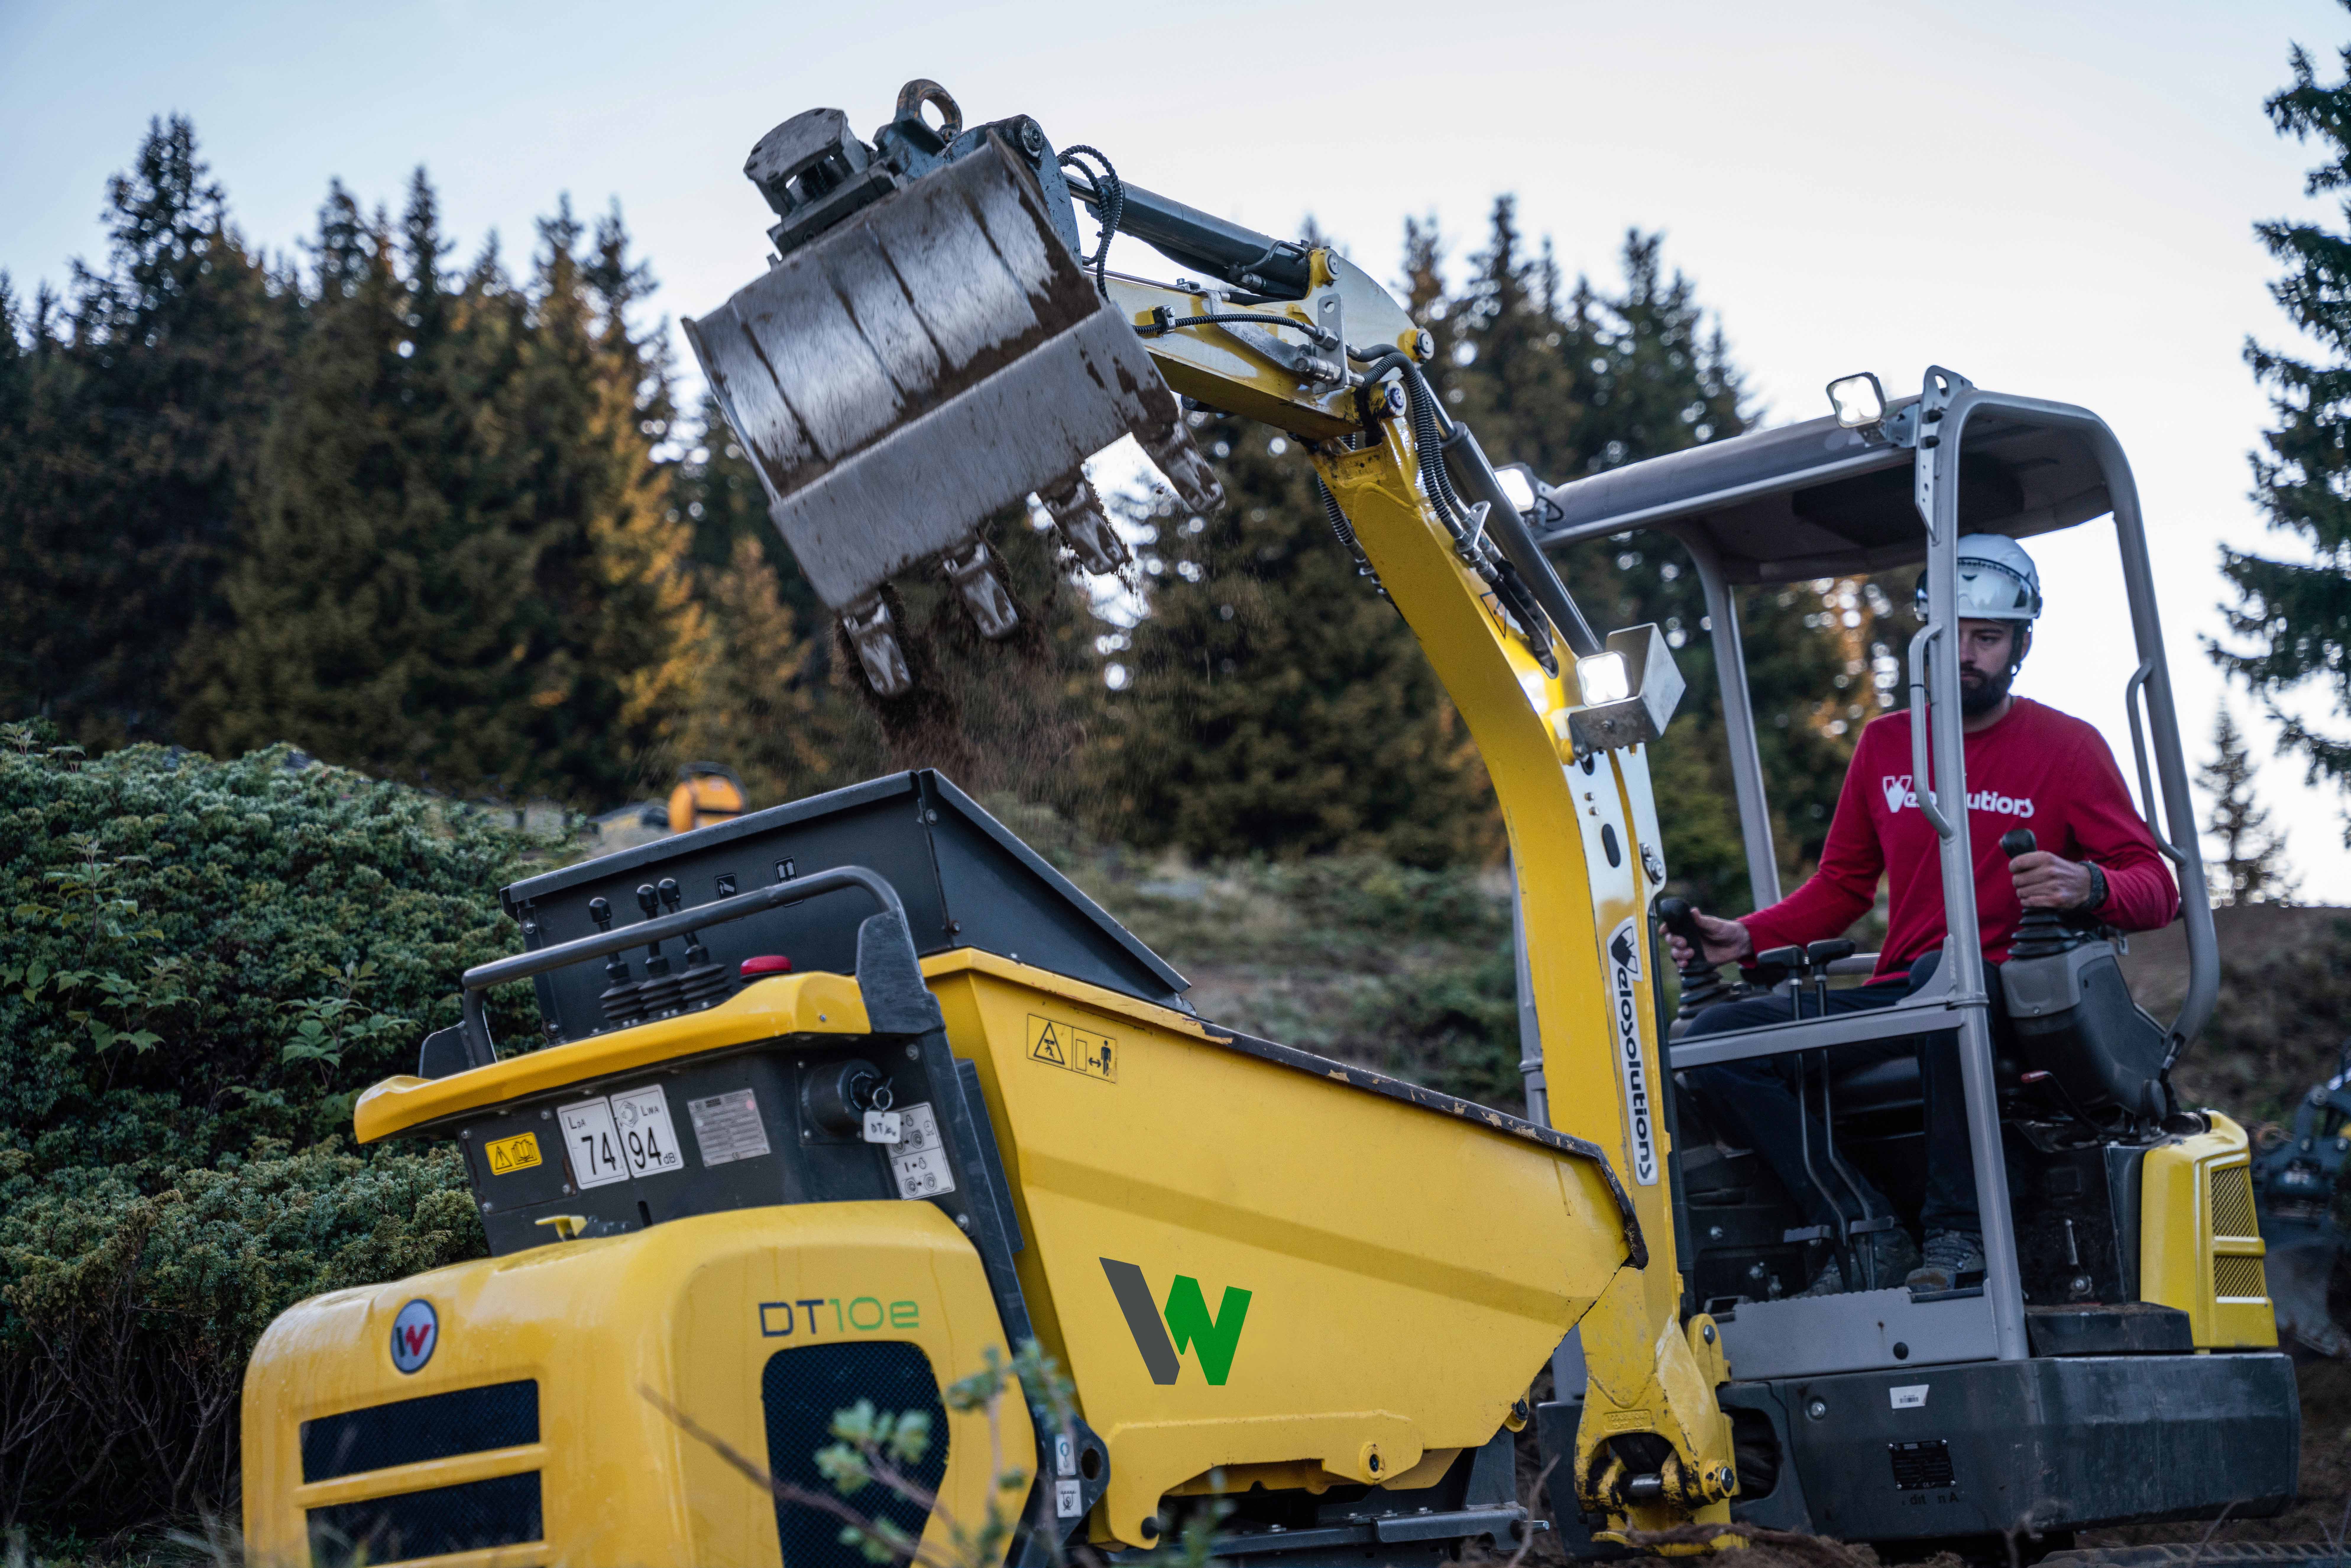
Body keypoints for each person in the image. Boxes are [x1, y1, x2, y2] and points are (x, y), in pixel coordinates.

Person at [1667, 534, 2180, 1296]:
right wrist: (1745, 937)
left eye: (1988, 638)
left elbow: (2156, 886)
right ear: (1923, 637)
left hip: (2021, 993)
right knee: (1711, 1043)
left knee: (1954, 975)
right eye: (1953, 635)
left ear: (2020, 646)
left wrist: (2087, 885)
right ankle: (1861, 1228)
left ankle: (1962, 1231)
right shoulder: (1883, 746)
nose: (1967, 654)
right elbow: (1842, 887)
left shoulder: (2066, 749)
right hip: (1909, 986)